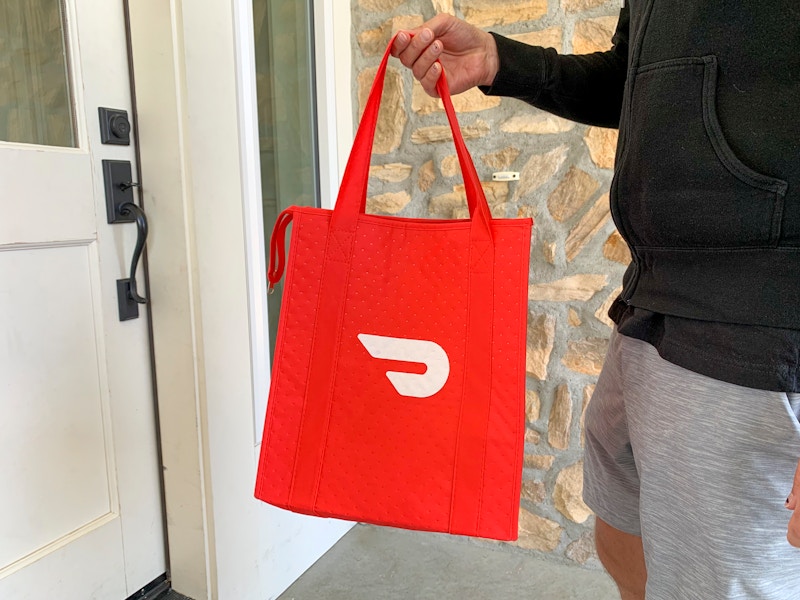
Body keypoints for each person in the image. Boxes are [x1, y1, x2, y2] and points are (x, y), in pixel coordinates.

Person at [393, 5, 800, 600]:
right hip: (652, 303)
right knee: (620, 535)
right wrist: (499, 61)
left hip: (757, 331)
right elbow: (627, 80)